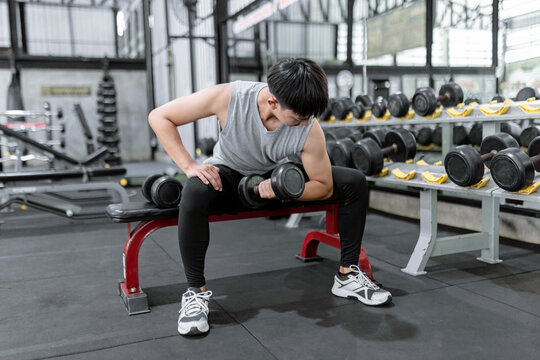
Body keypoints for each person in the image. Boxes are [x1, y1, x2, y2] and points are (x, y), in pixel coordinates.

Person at [148, 57, 392, 336]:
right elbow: (159, 116)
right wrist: (189, 166)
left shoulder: (309, 127)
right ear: (273, 102)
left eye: (308, 117)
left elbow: (323, 185)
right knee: (195, 188)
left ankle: (347, 275)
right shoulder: (229, 97)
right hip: (230, 176)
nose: (305, 123)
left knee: (354, 182)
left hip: (277, 180)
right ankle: (195, 293)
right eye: (299, 117)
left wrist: (283, 189)